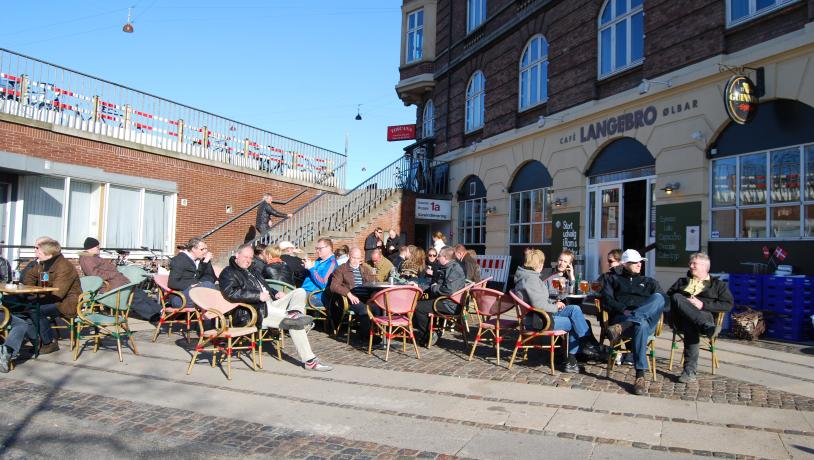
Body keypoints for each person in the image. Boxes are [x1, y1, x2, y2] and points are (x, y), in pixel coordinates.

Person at [219, 244, 331, 371]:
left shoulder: (252, 270)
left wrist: (275, 293)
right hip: (254, 311)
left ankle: (295, 313)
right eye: (245, 257)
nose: (248, 260)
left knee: (300, 291)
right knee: (296, 324)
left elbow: (265, 287)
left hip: (270, 305)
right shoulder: (228, 272)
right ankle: (309, 360)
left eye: (250, 257)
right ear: (237, 255)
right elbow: (230, 293)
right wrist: (257, 296)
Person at [513, 249, 601, 373]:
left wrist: (555, 303)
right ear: (537, 264)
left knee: (575, 310)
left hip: (542, 314)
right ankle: (572, 358)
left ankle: (585, 344)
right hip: (540, 319)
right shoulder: (531, 280)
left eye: (565, 261)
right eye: (542, 262)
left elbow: (541, 300)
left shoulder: (529, 277)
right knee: (574, 321)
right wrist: (555, 306)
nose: (543, 265)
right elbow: (539, 304)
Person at [601, 249, 666, 395]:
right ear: (624, 264)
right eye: (635, 262)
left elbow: (666, 304)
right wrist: (624, 310)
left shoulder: (649, 282)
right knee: (640, 325)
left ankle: (630, 322)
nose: (639, 264)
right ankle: (640, 376)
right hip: (622, 320)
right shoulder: (612, 279)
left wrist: (636, 314)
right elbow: (606, 301)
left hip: (627, 326)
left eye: (640, 261)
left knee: (659, 298)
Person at [667, 252, 734, 383]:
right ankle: (707, 328)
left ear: (705, 266)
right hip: (685, 320)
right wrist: (685, 304)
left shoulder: (718, 285)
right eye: (690, 263)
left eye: (694, 264)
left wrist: (703, 304)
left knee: (690, 323)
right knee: (677, 297)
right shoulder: (682, 282)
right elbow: (668, 298)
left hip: (705, 315)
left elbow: (728, 304)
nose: (690, 266)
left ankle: (689, 371)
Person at [78, 237, 161, 323]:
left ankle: (160, 310)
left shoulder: (93, 257)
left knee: (140, 294)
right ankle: (153, 315)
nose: (99, 249)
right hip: (110, 286)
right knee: (132, 298)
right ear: (90, 248)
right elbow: (95, 275)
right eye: (97, 247)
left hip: (117, 283)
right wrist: (113, 274)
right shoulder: (87, 259)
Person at [21, 239, 82, 353]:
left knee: (35, 309)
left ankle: (49, 343)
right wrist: (31, 291)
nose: (36, 252)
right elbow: (29, 276)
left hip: (66, 302)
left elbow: (58, 293)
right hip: (50, 297)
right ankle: (37, 342)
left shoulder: (65, 267)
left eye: (39, 251)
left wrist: (34, 296)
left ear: (49, 255)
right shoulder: (44, 263)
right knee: (24, 307)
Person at [412, 247, 466, 346]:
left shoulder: (454, 269)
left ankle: (429, 336)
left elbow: (448, 290)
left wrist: (434, 288)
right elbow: (433, 285)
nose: (437, 258)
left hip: (450, 304)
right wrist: (419, 286)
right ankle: (428, 333)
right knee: (414, 305)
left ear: (445, 257)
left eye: (439, 256)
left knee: (418, 307)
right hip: (445, 300)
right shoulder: (446, 267)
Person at [329, 247, 378, 341]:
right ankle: (366, 336)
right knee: (363, 310)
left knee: (379, 307)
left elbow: (375, 282)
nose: (355, 261)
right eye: (353, 258)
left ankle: (378, 332)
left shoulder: (365, 269)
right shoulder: (341, 269)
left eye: (358, 258)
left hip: (366, 297)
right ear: (348, 256)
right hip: (350, 298)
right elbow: (334, 286)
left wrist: (374, 293)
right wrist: (348, 294)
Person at [168, 237, 218, 306]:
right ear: (193, 249)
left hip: (196, 294)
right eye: (202, 249)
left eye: (206, 249)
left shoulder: (200, 260)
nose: (205, 252)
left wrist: (206, 262)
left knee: (219, 286)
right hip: (179, 298)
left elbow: (211, 277)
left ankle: (220, 311)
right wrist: (193, 284)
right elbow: (172, 283)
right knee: (208, 285)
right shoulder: (179, 260)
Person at [301, 237, 338, 308]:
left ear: (329, 248)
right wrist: (306, 268)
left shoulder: (331, 263)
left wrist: (311, 268)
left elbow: (323, 283)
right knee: (280, 295)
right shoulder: (319, 260)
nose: (317, 251)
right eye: (316, 248)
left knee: (291, 298)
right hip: (305, 292)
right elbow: (311, 276)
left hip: (316, 296)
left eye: (320, 248)